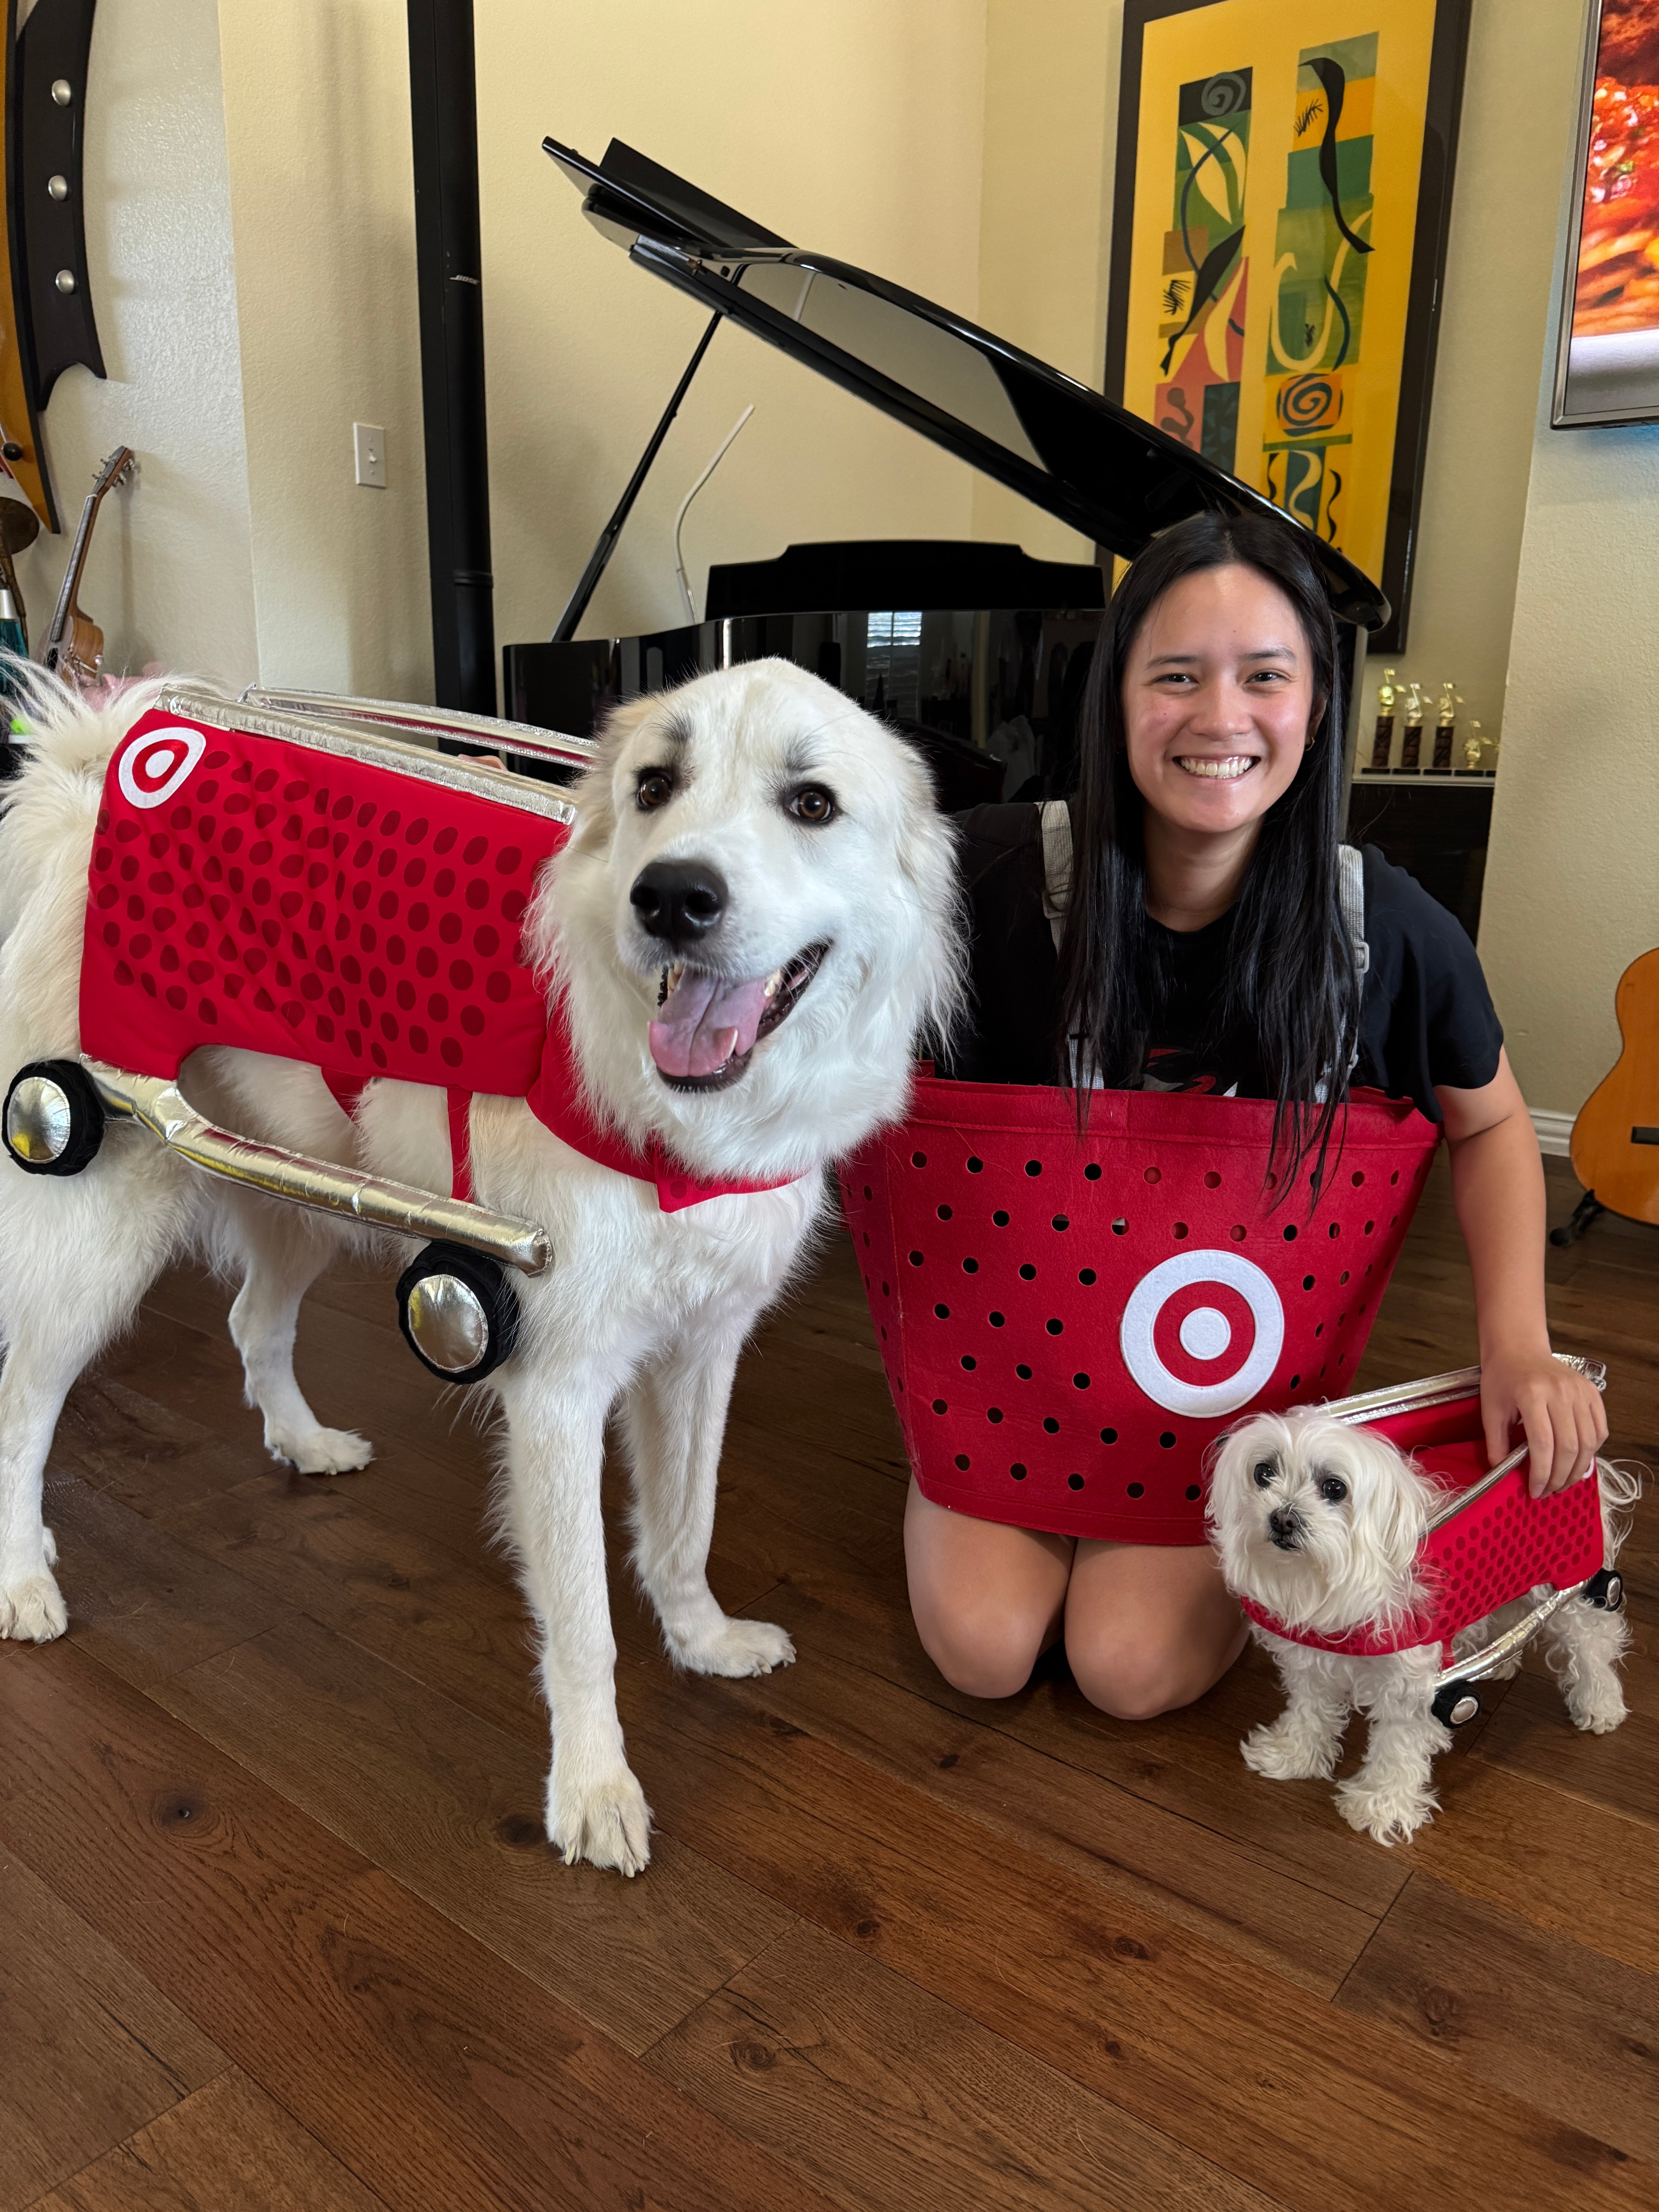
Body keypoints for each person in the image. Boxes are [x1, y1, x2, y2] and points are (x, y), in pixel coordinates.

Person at [905, 508, 1607, 1720]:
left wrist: (1516, 1343)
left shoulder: (1386, 930)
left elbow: (1492, 1125)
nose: (1220, 718)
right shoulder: (985, 880)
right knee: (986, 1650)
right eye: (1173, 677)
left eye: (1263, 678)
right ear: (1113, 699)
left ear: (1316, 707)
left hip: (1228, 1421)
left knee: (1128, 1671)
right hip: (1011, 1385)